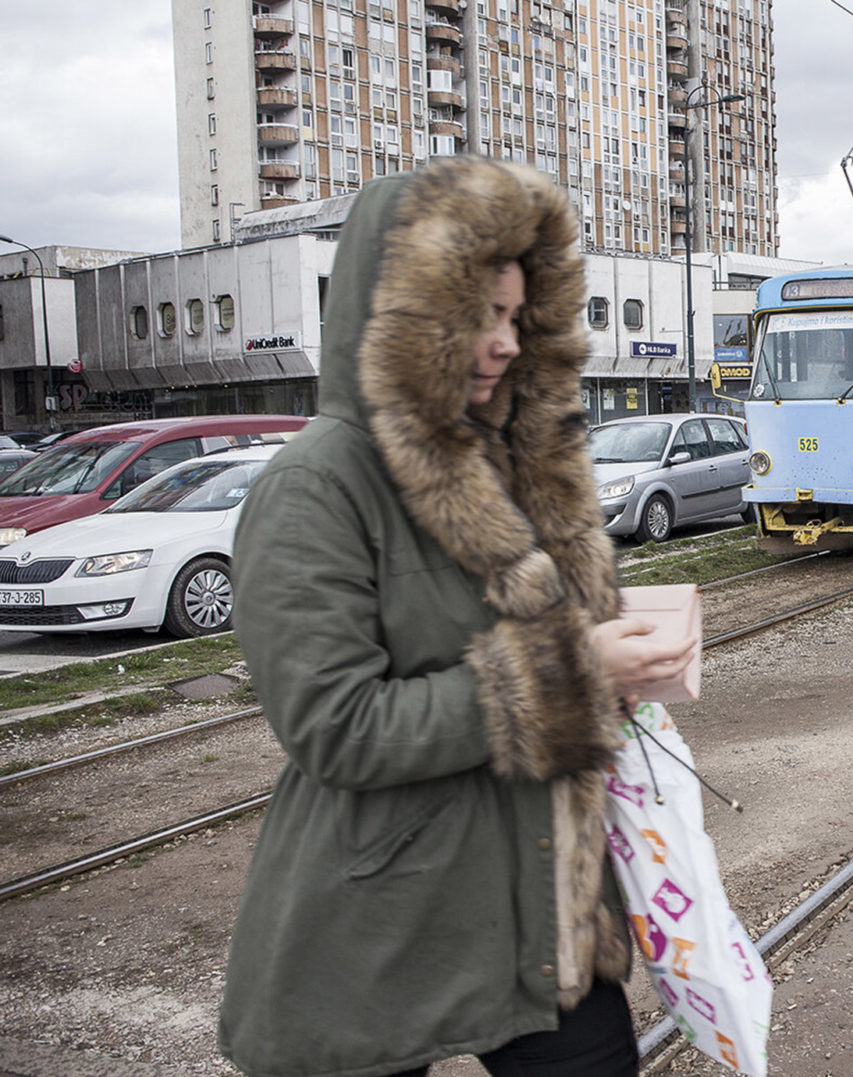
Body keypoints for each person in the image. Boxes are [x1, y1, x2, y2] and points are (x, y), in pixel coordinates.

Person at [218, 157, 695, 1077]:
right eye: (481, 313)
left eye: (517, 316)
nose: (508, 341)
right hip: (382, 927)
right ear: (406, 315)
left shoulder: (520, 466)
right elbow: (335, 726)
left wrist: (626, 660)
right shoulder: (315, 485)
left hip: (542, 915)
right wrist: (572, 676)